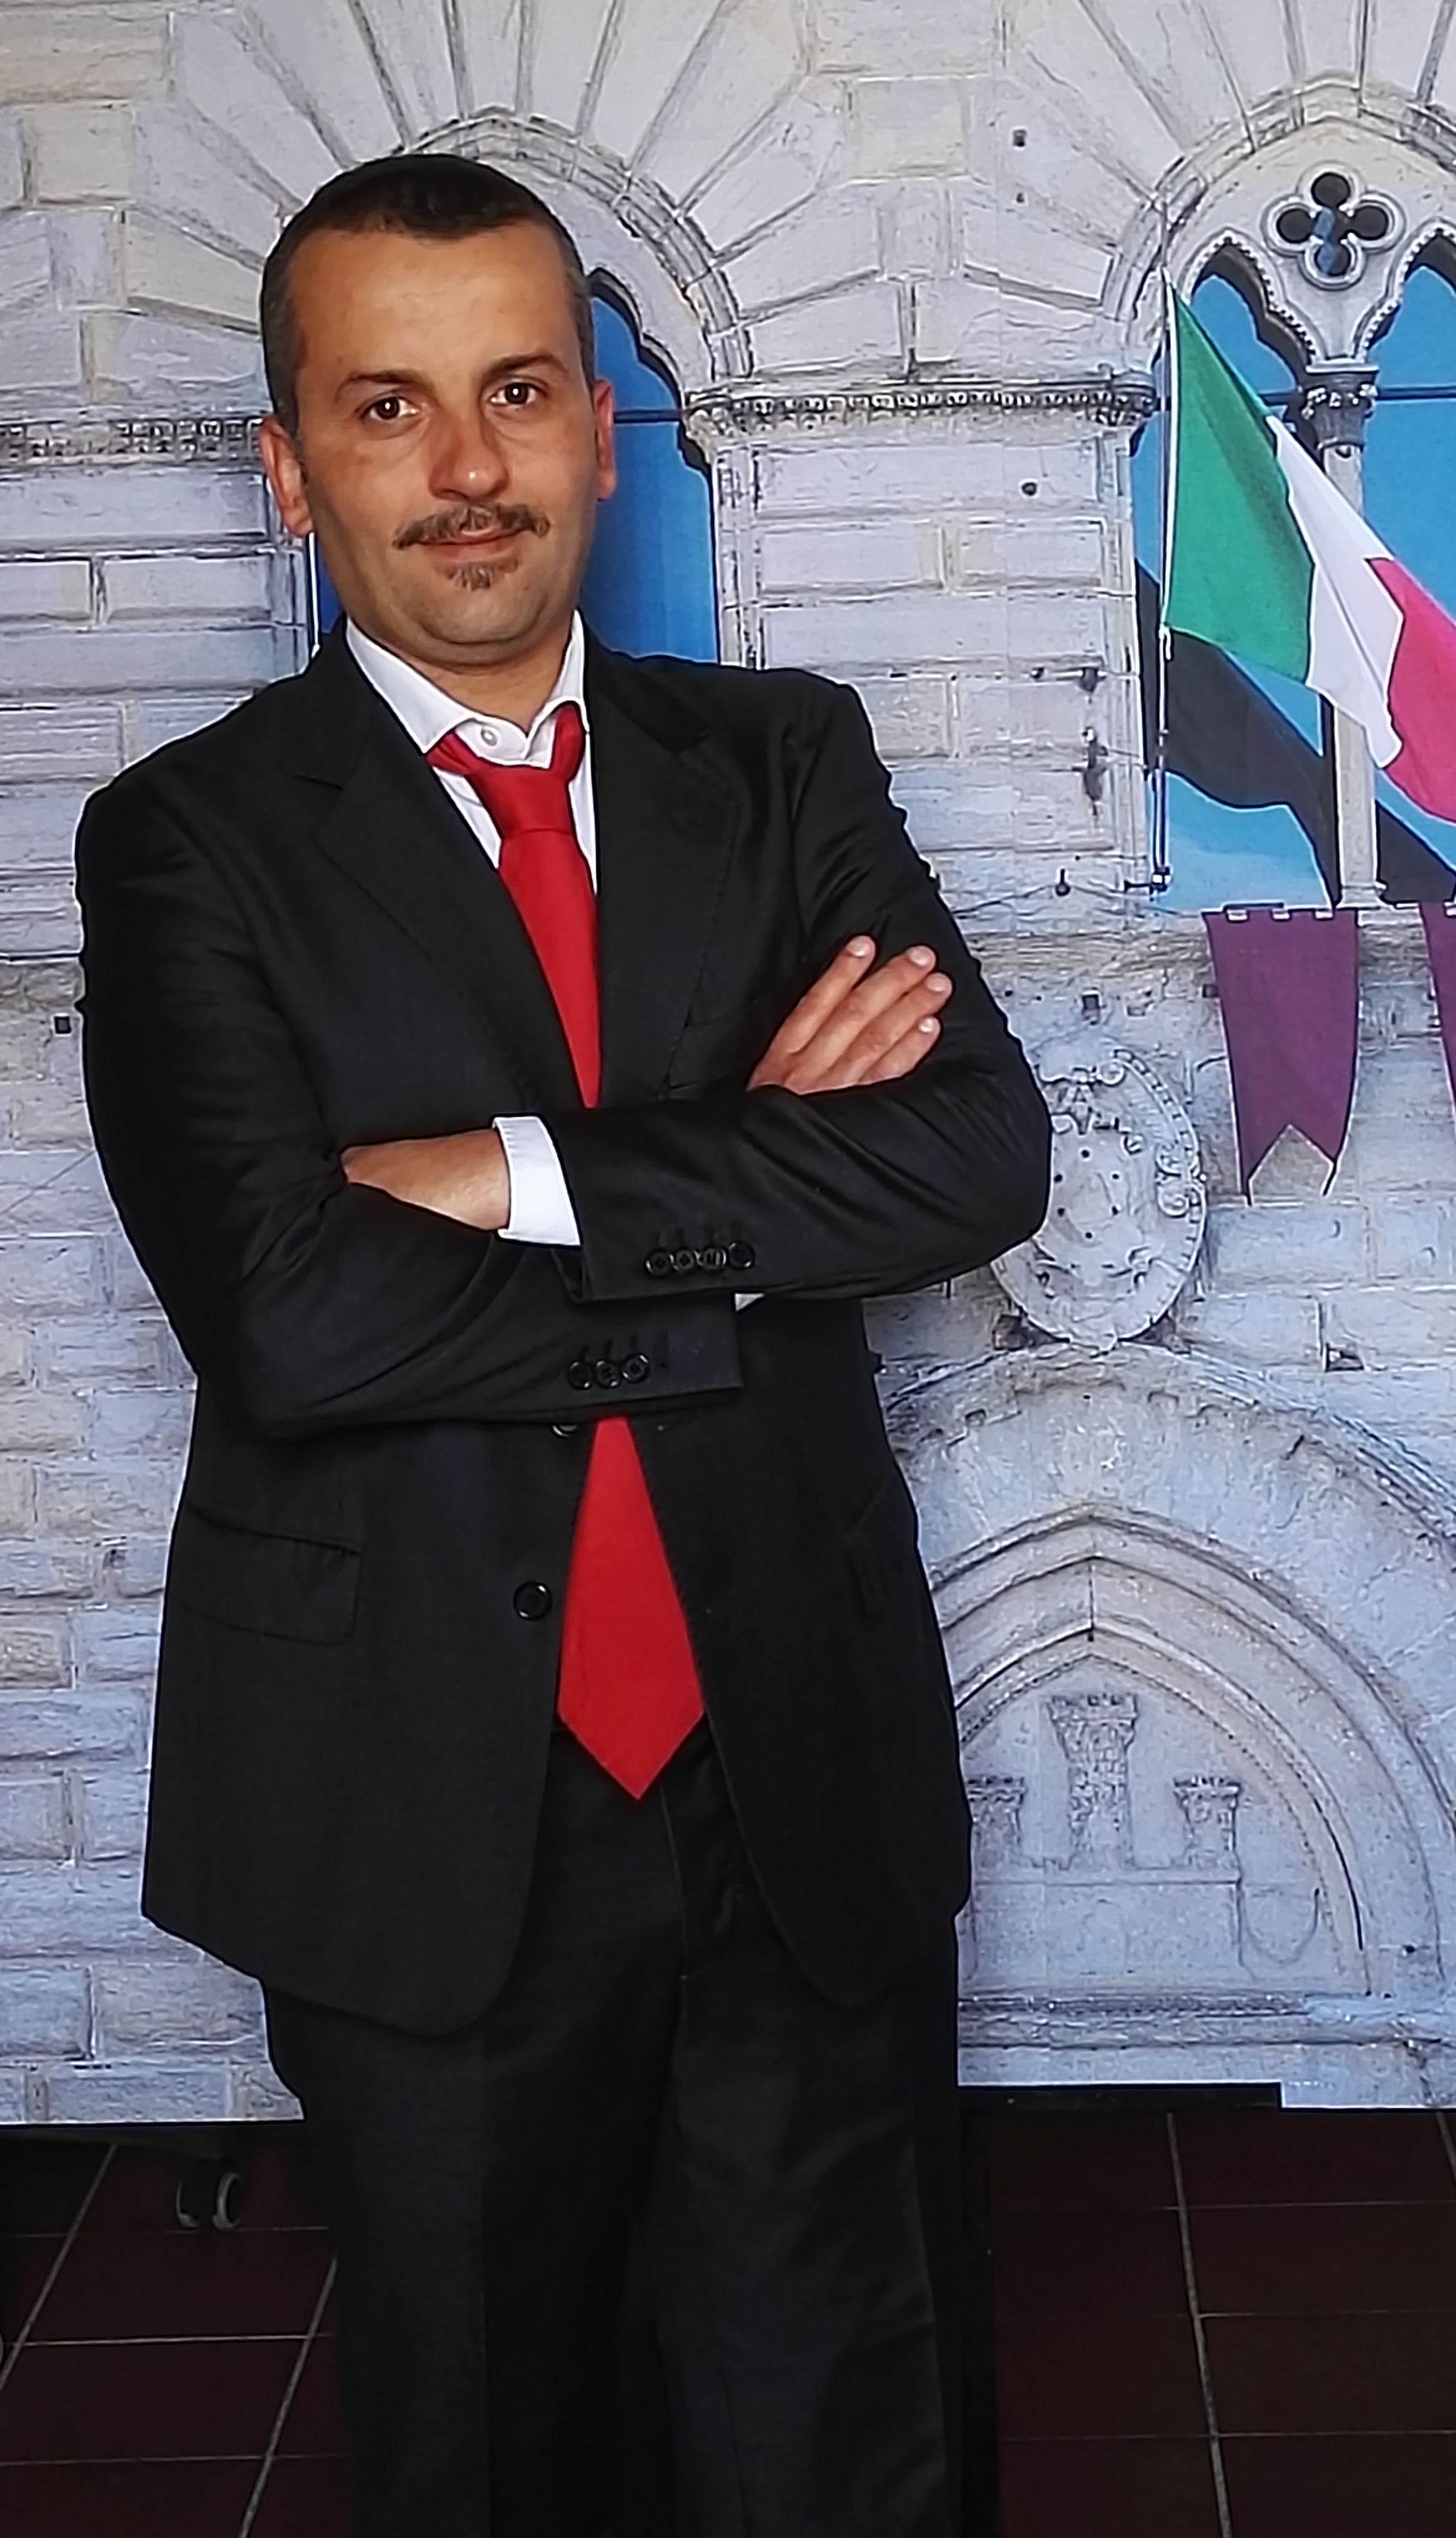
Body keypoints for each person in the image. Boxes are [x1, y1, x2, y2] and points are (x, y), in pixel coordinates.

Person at [75, 153, 1050, 2538]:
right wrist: (752, 1204)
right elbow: (291, 1318)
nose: (468, 467)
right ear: (290, 469)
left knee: (855, 2445)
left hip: (791, 1764)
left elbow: (973, 1161)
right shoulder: (187, 840)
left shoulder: (786, 758)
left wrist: (511, 1172)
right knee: (488, 2452)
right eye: (387, 407)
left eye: (519, 391)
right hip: (420, 1790)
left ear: (607, 431)